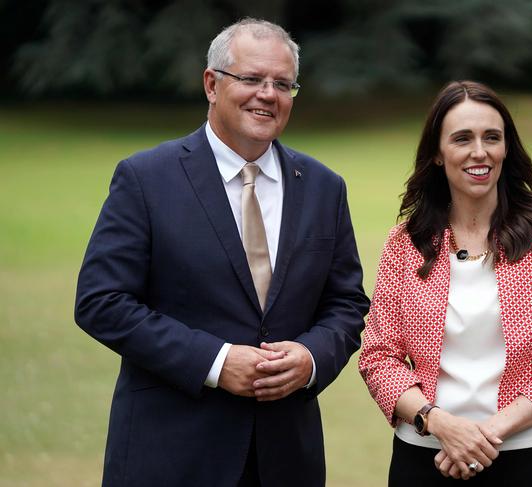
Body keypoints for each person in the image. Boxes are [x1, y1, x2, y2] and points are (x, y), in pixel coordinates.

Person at [75, 18, 369, 487]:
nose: (268, 94)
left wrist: (311, 357)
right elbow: (101, 301)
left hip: (286, 457)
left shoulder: (323, 187)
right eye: (251, 79)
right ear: (212, 84)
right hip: (172, 454)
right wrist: (215, 362)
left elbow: (347, 303)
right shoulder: (146, 178)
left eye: (282, 83)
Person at [358, 80, 532, 486]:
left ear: (507, 147)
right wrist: (441, 425)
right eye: (462, 138)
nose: (479, 151)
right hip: (425, 459)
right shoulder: (404, 243)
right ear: (437, 152)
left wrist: (483, 435)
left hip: (530, 458)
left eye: (492, 137)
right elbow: (378, 357)